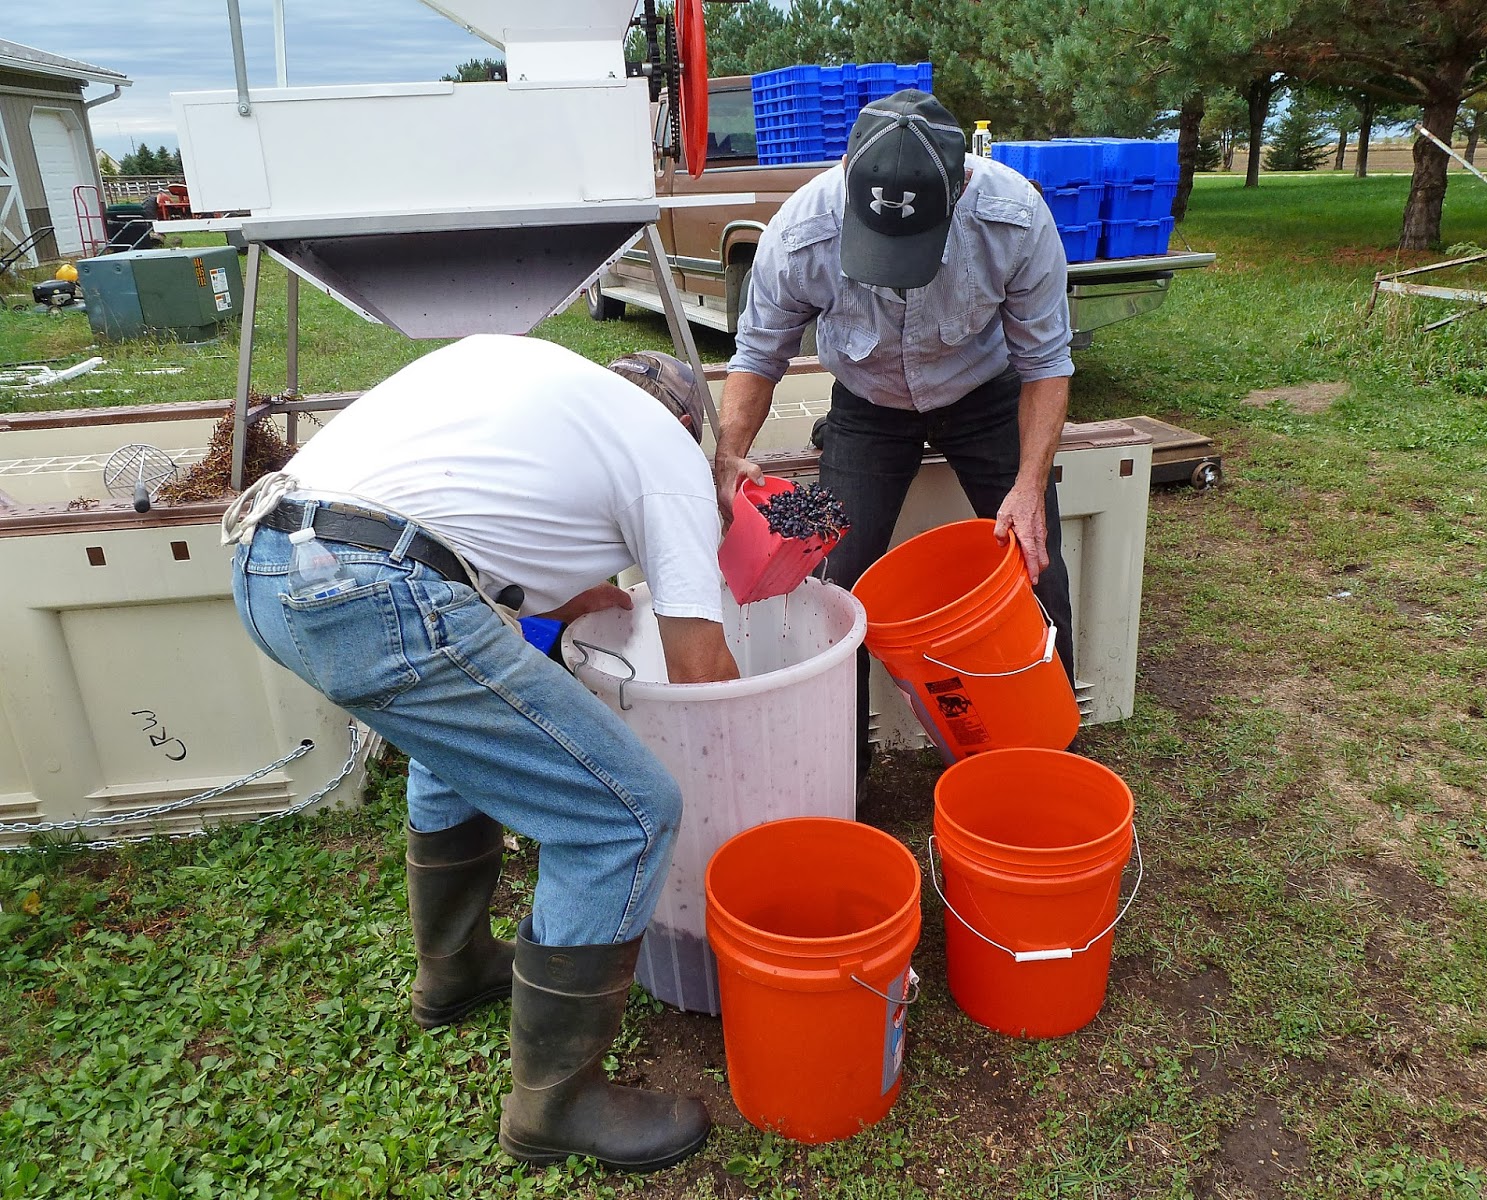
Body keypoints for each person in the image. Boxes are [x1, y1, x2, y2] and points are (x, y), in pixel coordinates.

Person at [222, 336, 736, 1173]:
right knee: (627, 815)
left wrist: (587, 600)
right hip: (374, 585)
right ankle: (556, 1103)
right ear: (685, 423)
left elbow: (497, 549)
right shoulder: (665, 451)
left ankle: (453, 970)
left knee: (455, 743)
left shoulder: (533, 385)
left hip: (268, 563)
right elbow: (701, 669)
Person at [714, 89, 1078, 769]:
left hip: (984, 393)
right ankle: (844, 775)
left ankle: (1053, 751)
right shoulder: (801, 232)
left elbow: (1046, 362)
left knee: (1033, 556)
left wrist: (1030, 485)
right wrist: (731, 454)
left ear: (962, 181)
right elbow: (759, 354)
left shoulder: (1016, 217)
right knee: (837, 582)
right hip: (868, 403)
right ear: (849, 170)